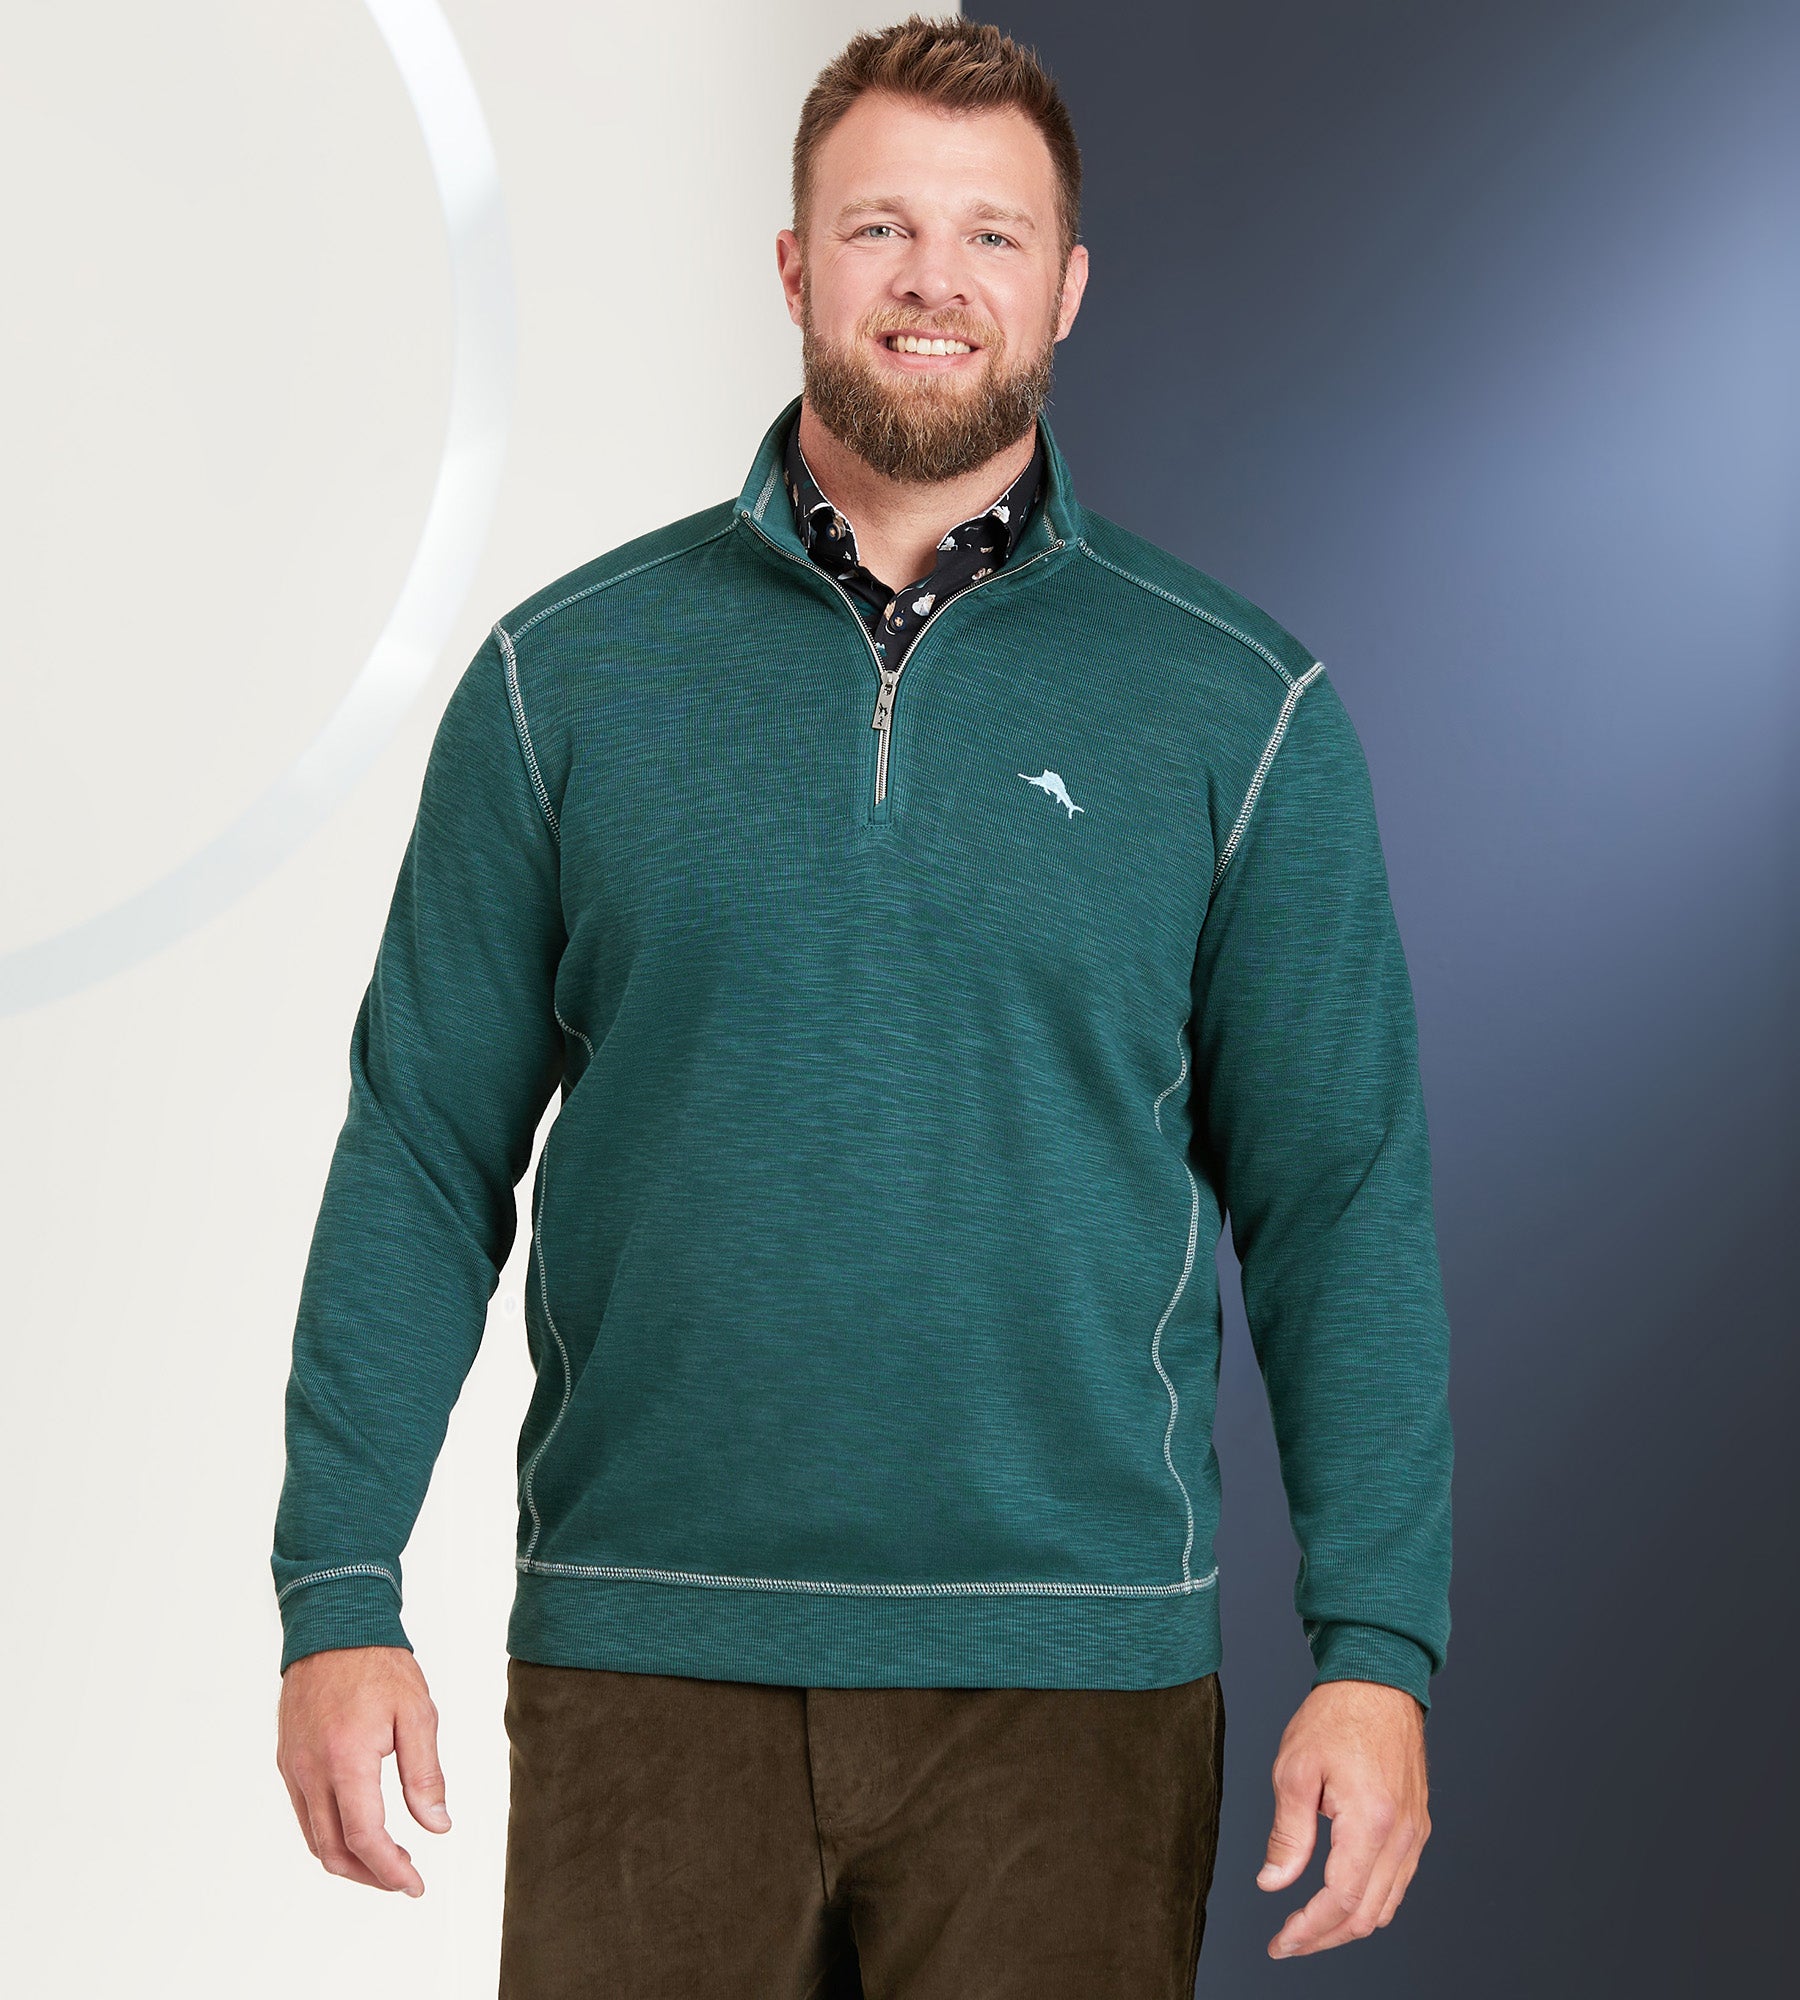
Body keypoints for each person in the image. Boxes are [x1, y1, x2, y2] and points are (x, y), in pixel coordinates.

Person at [272, 14, 1452, 1994]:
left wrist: (1379, 1651)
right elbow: (418, 1150)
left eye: (992, 236)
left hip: (1073, 1685)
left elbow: (1340, 1201)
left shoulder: (1235, 707)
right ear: (795, 265)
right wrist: (337, 1589)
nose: (933, 279)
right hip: (651, 1661)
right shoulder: (569, 679)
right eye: (880, 226)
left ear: (1068, 287)